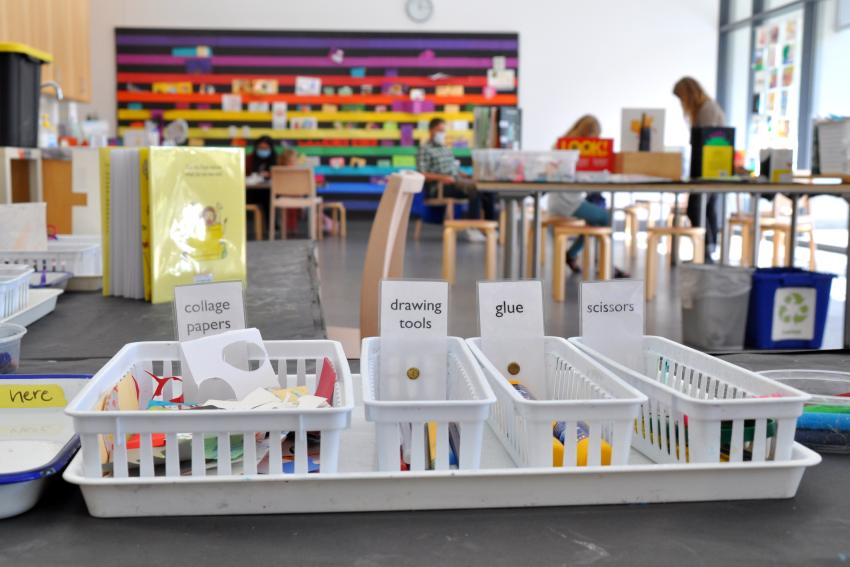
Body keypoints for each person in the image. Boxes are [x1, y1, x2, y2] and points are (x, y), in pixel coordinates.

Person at [549, 115, 627, 277]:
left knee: (594, 222)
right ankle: (604, 264)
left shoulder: (560, 145)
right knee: (606, 218)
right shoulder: (578, 149)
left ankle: (573, 255)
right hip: (569, 202)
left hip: (561, 200)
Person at [673, 76, 727, 261]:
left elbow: (708, 143)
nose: (682, 103)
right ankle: (707, 252)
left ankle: (706, 252)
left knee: (696, 209)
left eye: (681, 98)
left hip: (709, 169)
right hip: (710, 168)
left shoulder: (707, 110)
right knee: (706, 208)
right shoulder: (707, 108)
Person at [417, 118, 496, 236]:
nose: (441, 134)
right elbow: (422, 173)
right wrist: (442, 178)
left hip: (457, 181)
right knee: (475, 190)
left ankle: (490, 229)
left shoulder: (445, 148)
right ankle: (473, 228)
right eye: (439, 130)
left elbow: (455, 169)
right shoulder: (425, 149)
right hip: (440, 186)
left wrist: (469, 175)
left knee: (488, 190)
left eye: (443, 131)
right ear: (431, 130)